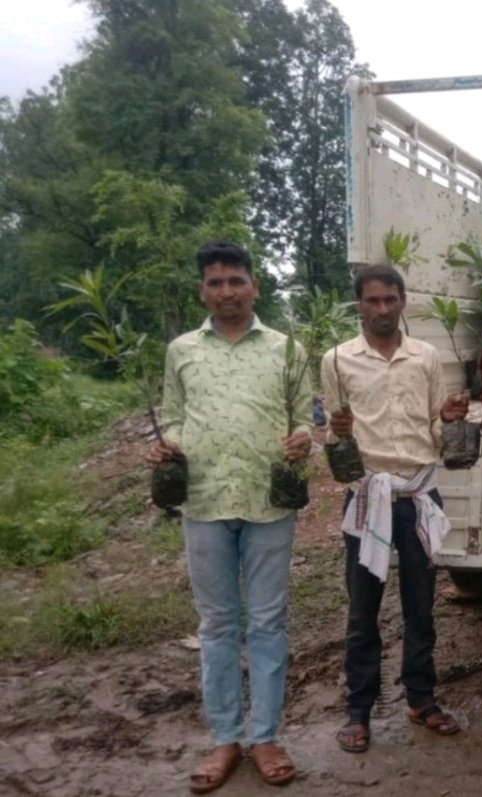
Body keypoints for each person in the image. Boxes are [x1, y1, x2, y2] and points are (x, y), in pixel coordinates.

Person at [148, 241, 312, 793]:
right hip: (204, 501)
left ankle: (264, 736)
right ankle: (225, 738)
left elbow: (303, 419)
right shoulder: (182, 350)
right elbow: (173, 416)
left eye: (235, 281)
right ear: (203, 290)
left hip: (269, 503)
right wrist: (167, 445)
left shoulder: (286, 350)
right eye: (215, 283)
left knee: (268, 623)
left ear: (254, 286)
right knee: (217, 626)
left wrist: (303, 439)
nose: (226, 292)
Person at [322, 263, 470, 754]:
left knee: (421, 604)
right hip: (368, 498)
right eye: (372, 301)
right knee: (363, 608)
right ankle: (360, 709)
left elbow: (434, 429)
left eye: (390, 299)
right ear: (358, 305)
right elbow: (333, 436)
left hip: (420, 495)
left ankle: (421, 697)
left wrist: (448, 421)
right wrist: (337, 433)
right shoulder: (338, 360)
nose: (382, 309)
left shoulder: (425, 357)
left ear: (403, 301)